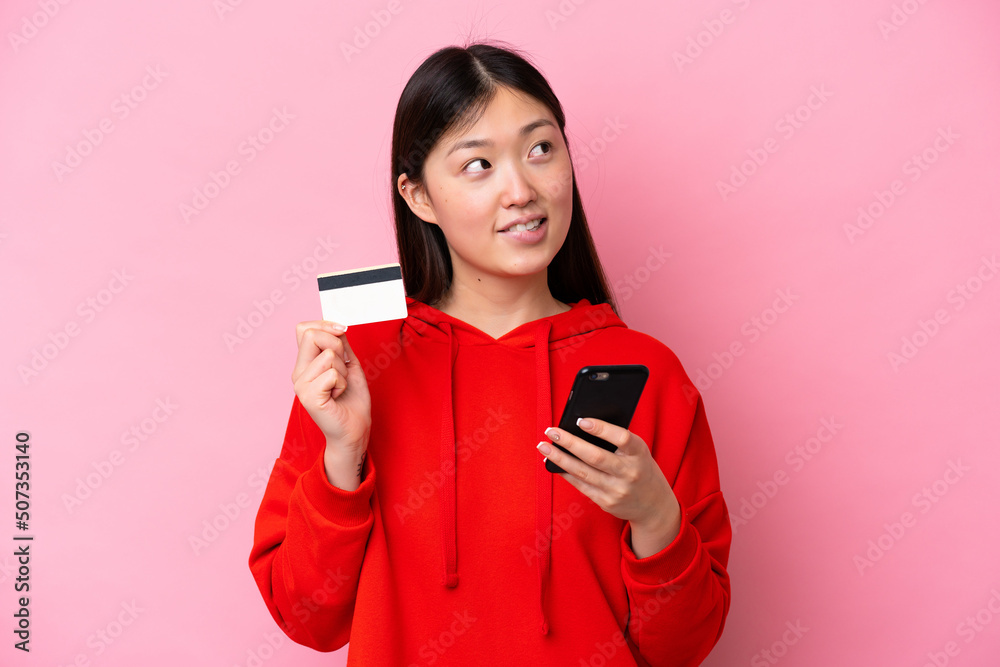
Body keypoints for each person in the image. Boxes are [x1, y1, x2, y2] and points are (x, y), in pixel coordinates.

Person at [249, 41, 732, 666]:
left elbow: (683, 649)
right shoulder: (355, 366)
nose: (521, 190)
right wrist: (344, 455)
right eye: (478, 165)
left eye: (540, 149)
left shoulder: (647, 372)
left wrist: (657, 521)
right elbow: (307, 616)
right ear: (419, 197)